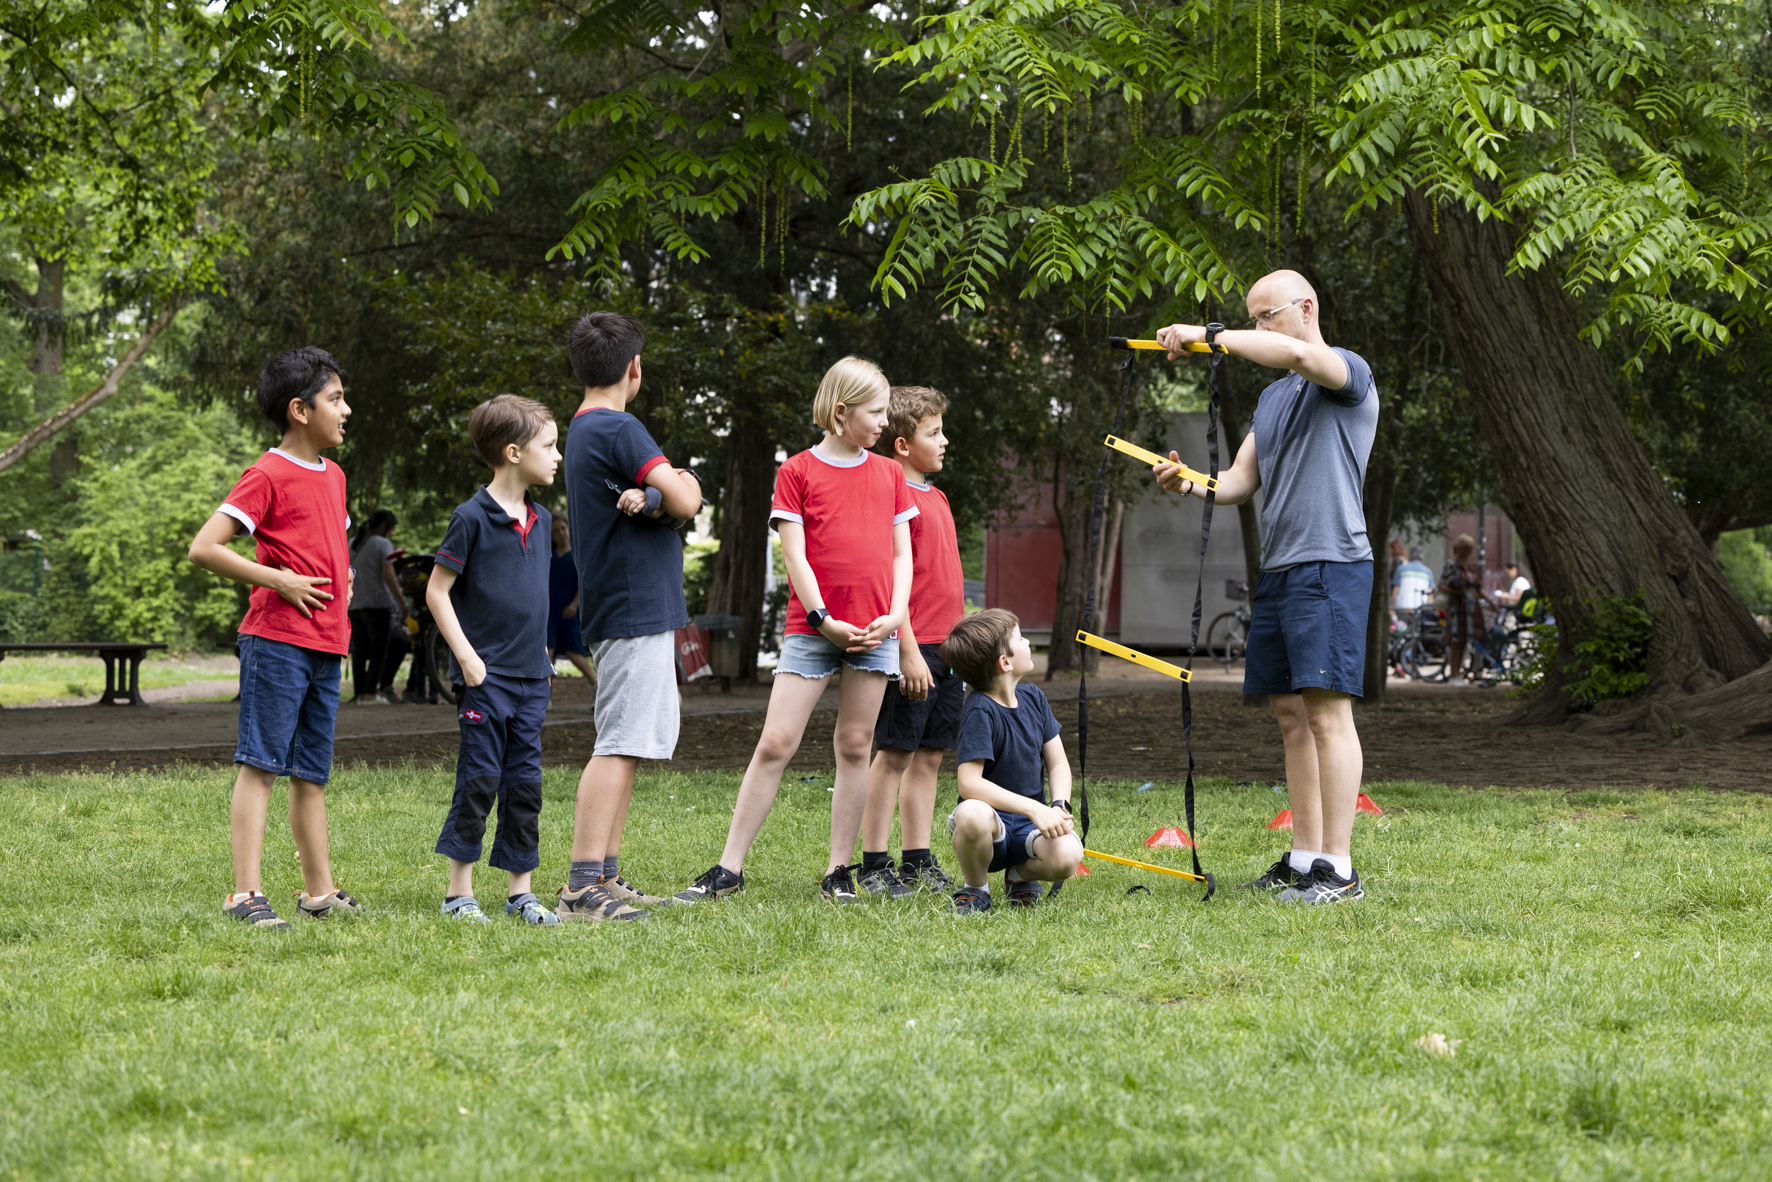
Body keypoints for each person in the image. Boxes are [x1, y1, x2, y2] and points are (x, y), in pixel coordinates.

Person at [1153, 270, 1378, 904]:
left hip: (1331, 564)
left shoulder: (1345, 371)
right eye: (1250, 319)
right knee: (1291, 717)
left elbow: (1303, 355)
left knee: (1329, 714)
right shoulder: (1274, 401)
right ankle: (1305, 856)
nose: (1258, 329)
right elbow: (1235, 484)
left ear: (1307, 307)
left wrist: (1208, 335)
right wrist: (1186, 480)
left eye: (1266, 317)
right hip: (1281, 570)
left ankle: (1339, 868)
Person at [675, 355, 914, 905]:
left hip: (878, 630)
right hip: (814, 630)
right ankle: (729, 868)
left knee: (856, 745)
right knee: (776, 742)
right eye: (875, 412)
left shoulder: (889, 475)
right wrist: (825, 621)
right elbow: (796, 560)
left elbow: (904, 555)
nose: (884, 423)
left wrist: (896, 615)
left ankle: (838, 870)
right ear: (840, 410)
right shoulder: (797, 472)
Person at [187, 346, 363, 929]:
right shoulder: (266, 473)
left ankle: (319, 892)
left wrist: (349, 582)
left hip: (326, 644)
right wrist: (279, 580)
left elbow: (330, 545)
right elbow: (205, 547)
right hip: (277, 641)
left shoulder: (334, 476)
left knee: (310, 772)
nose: (346, 409)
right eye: (335, 399)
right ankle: (244, 894)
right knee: (261, 765)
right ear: (299, 410)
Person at [555, 312, 703, 922]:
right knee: (617, 742)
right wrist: (678, 488)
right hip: (633, 607)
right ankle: (581, 887)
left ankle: (606, 875)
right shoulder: (619, 428)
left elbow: (667, 500)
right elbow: (689, 499)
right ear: (634, 367)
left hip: (627, 605)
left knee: (630, 740)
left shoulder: (585, 430)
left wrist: (659, 498)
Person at [424, 395, 564, 926]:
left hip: (534, 680)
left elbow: (535, 597)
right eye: (548, 446)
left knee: (525, 784)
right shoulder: (471, 517)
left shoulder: (544, 518)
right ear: (512, 452)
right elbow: (438, 594)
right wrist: (467, 659)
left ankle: (520, 893)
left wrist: (545, 652)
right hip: (487, 680)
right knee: (480, 779)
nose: (557, 456)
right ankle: (459, 894)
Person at [859, 385, 964, 895]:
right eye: (934, 432)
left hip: (949, 651)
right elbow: (887, 582)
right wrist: (905, 652)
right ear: (902, 444)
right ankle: (874, 861)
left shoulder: (937, 495)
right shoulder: (890, 497)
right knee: (895, 753)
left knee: (930, 757)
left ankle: (917, 859)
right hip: (912, 649)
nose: (944, 441)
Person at [938, 609, 1082, 915]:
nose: (1027, 641)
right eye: (1020, 637)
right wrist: (1034, 808)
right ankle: (976, 889)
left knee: (1070, 854)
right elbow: (969, 783)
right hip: (991, 829)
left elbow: (1057, 764)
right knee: (972, 812)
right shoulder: (979, 711)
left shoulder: (1034, 698)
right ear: (1005, 662)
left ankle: (1019, 876)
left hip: (1030, 830)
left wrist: (1059, 805)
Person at [347, 509, 404, 705]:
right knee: (379, 650)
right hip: (377, 604)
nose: (392, 533)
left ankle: (360, 694)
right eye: (391, 529)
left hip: (354, 604)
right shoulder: (383, 544)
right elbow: (389, 576)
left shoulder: (352, 543)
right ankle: (370, 694)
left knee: (360, 650)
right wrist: (401, 603)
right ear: (383, 526)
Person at [546, 514, 597, 683]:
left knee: (573, 652)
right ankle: (544, 695)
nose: (560, 533)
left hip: (570, 611)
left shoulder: (578, 556)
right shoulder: (549, 557)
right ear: (551, 535)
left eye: (563, 528)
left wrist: (575, 605)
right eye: (555, 531)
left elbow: (584, 584)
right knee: (548, 651)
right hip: (550, 611)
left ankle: (595, 686)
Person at [1438, 534, 1487, 688]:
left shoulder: (1471, 566)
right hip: (1456, 609)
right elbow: (1441, 585)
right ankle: (1453, 675)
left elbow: (1478, 587)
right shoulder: (1451, 565)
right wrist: (1456, 592)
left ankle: (1458, 674)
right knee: (1456, 641)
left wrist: (1491, 602)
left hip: (1470, 611)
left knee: (1464, 641)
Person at [1393, 546, 1435, 612]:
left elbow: (1395, 590)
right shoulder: (1428, 572)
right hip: (1421, 609)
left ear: (1410, 555)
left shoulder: (1401, 569)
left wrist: (1392, 607)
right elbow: (1430, 594)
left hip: (1402, 608)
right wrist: (1429, 610)